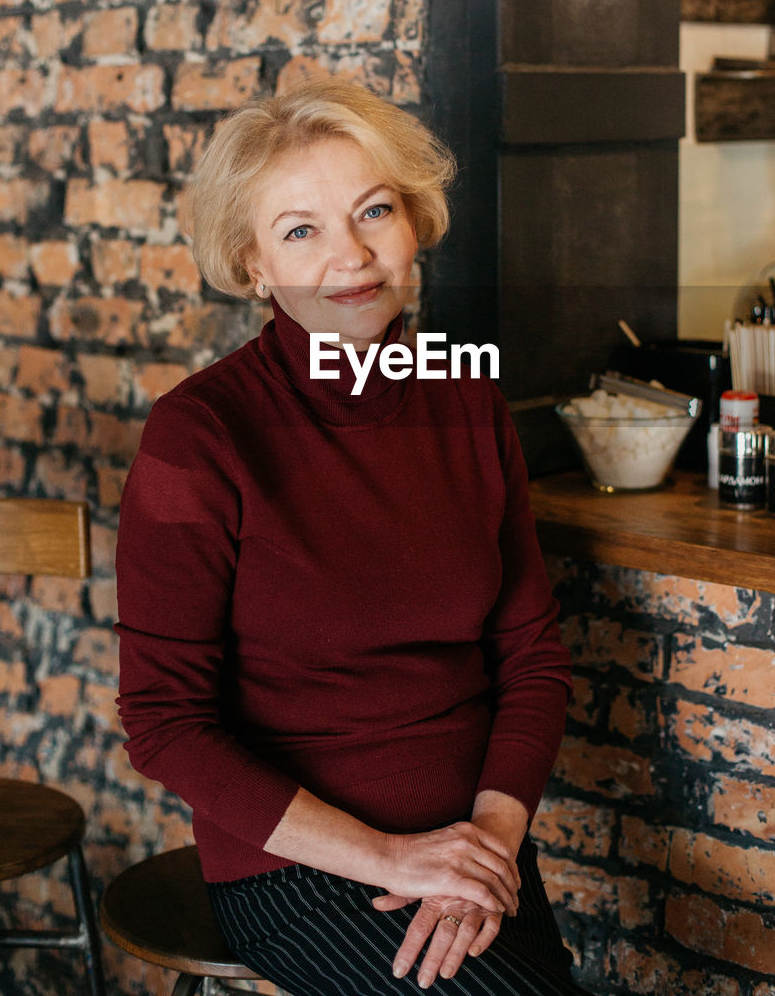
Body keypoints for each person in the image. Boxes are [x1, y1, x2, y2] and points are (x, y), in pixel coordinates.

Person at [115, 78, 587, 995]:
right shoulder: (199, 435)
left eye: (374, 211)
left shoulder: (468, 401)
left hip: (474, 846)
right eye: (301, 231)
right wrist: (390, 859)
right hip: (300, 866)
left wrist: (487, 843)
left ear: (414, 220)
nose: (351, 256)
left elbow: (530, 657)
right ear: (253, 266)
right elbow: (165, 724)